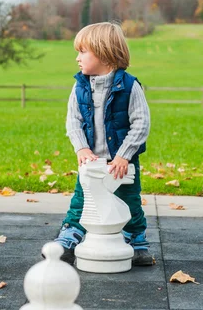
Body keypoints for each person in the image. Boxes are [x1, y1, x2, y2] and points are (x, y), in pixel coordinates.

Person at [54, 21, 152, 266]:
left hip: (122, 162)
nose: (77, 58)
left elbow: (141, 124)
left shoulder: (130, 87)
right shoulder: (80, 87)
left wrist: (124, 155)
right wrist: (81, 148)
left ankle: (136, 238)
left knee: (129, 200)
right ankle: (71, 235)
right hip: (92, 161)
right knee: (81, 199)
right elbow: (73, 121)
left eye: (82, 51)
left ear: (104, 53)